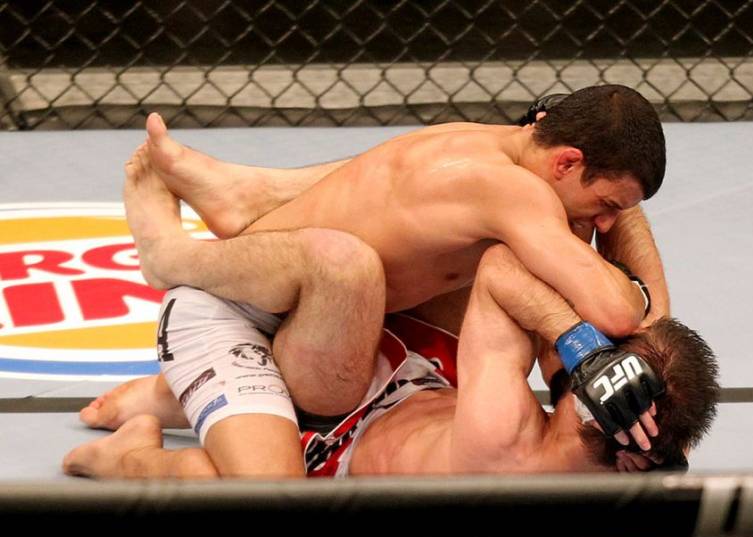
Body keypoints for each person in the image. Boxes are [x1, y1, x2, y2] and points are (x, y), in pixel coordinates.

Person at [84, 85, 671, 476]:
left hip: (316, 316)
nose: (608, 221)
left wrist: (616, 203)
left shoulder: (481, 139)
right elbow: (621, 314)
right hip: (231, 312)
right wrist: (635, 290)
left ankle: (175, 386)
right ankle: (127, 456)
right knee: (266, 500)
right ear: (566, 160)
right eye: (609, 201)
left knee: (372, 263)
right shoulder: (512, 191)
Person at [63, 243, 719, 479]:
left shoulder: (509, 437)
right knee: (548, 244)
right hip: (412, 381)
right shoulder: (634, 475)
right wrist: (578, 347)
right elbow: (509, 260)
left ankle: (129, 448)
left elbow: (503, 275)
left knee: (250, 494)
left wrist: (580, 352)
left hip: (340, 437)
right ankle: (175, 401)